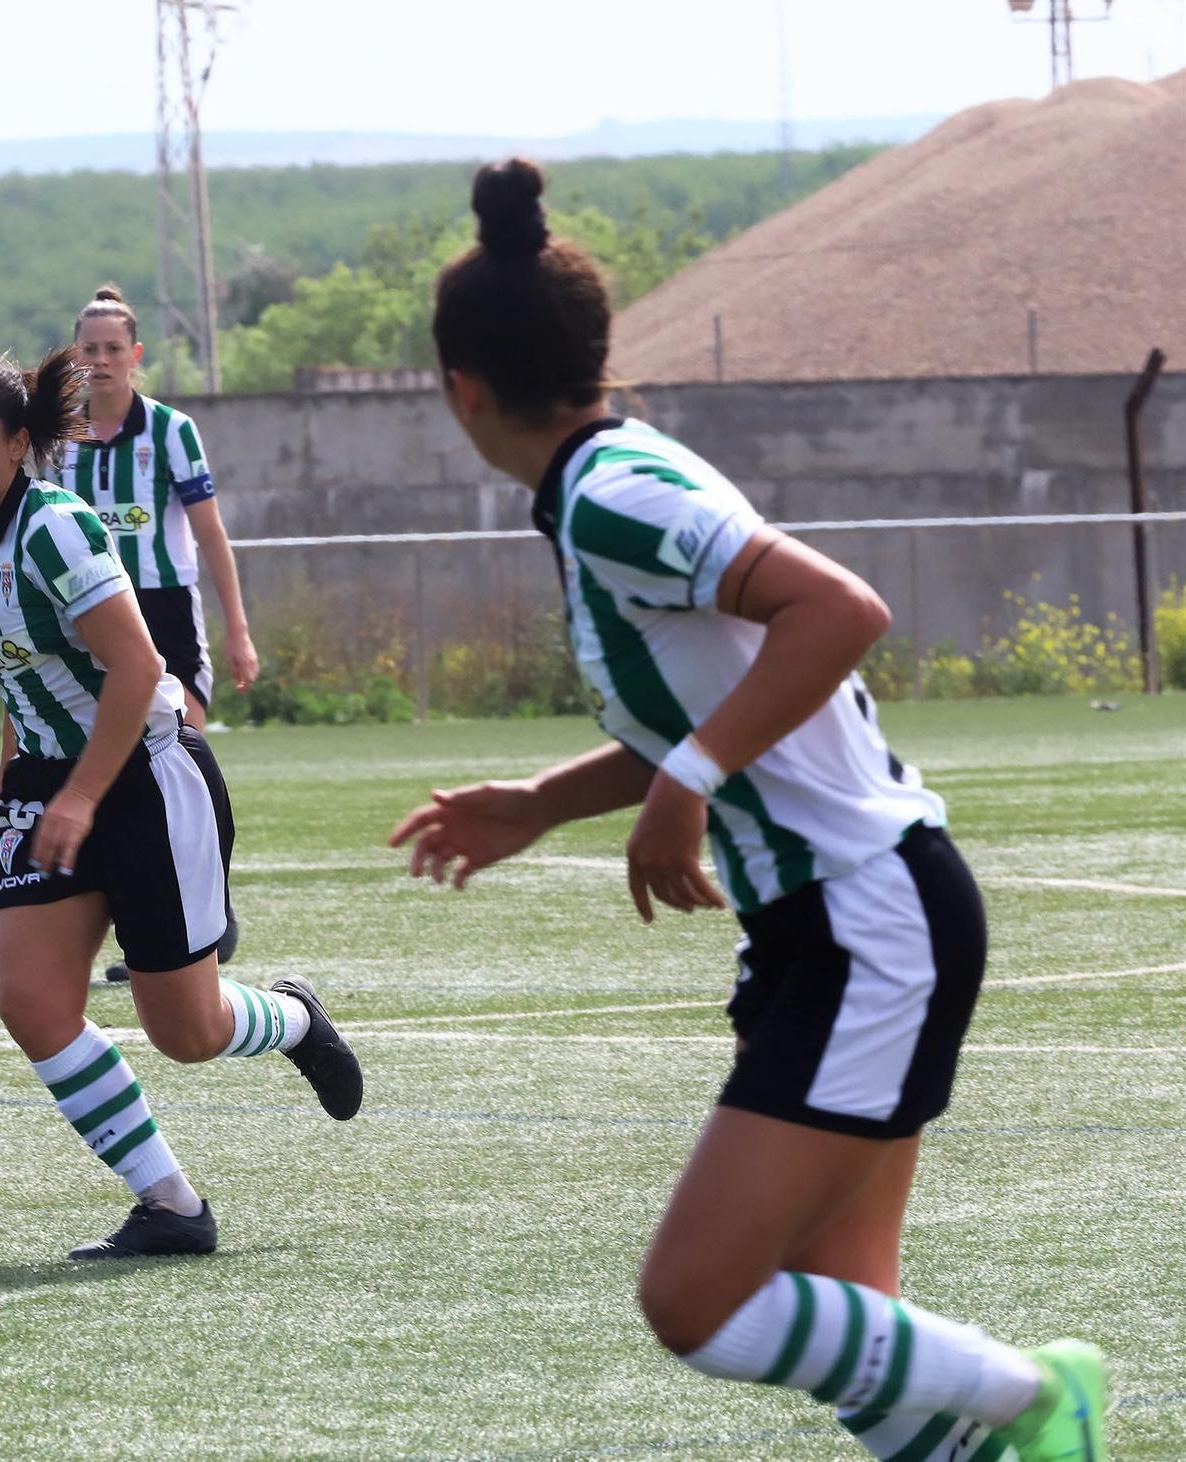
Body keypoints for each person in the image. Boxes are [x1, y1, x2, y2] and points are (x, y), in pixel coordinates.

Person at [388, 160, 1108, 1461]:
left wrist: (689, 778)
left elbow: (840, 610)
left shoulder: (613, 494)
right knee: (850, 1324)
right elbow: (711, 699)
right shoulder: (610, 480)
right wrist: (550, 799)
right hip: (831, 921)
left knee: (701, 1299)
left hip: (869, 915)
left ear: (463, 391)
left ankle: (1038, 1389)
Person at [0, 347, 361, 1259]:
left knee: (189, 1032)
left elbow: (138, 667)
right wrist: (10, 778)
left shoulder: (54, 525)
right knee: (32, 1005)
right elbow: (26, 678)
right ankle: (170, 1204)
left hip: (145, 778)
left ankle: (293, 1018)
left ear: (16, 444)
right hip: (52, 786)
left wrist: (83, 795)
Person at [60, 285, 256, 979]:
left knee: (183, 766)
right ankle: (144, 934)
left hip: (166, 609)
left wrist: (238, 629)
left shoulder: (172, 431)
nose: (102, 360)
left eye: (115, 349)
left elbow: (210, 533)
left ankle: (212, 915)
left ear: (136, 355)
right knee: (115, 773)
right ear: (74, 355)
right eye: (90, 349)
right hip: (93, 614)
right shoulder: (60, 439)